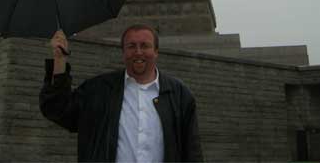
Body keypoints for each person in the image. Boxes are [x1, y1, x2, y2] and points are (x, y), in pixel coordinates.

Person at [39, 24, 203, 163]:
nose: (138, 52)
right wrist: (59, 59)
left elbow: (192, 151)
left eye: (145, 46)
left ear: (156, 51)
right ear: (123, 52)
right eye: (131, 46)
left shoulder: (179, 94)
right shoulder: (99, 89)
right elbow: (57, 109)